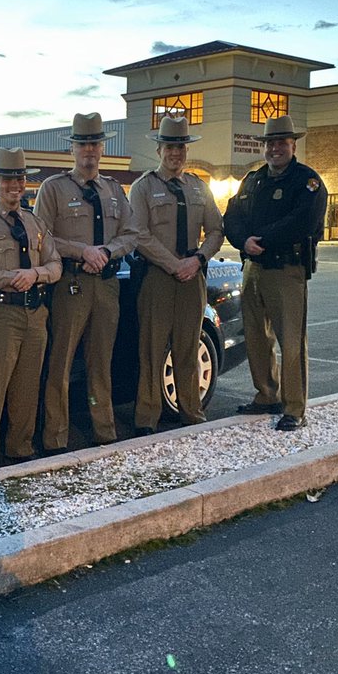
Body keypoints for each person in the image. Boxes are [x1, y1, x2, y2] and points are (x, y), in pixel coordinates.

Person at [34, 113, 139, 451]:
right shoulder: (53, 188)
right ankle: (55, 437)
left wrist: (107, 251)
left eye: (95, 143)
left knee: (100, 362)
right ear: (72, 149)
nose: (89, 150)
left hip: (106, 285)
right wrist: (82, 251)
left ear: (103, 147)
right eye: (83, 144)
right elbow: (42, 237)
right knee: (61, 362)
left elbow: (132, 233)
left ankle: (104, 431)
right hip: (70, 284)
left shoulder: (112, 189)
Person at [222, 114, 328, 431]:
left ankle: (294, 407)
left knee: (290, 341)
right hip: (253, 267)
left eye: (281, 142)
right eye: (270, 143)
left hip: (286, 269)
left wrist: (263, 241)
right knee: (256, 337)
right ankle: (267, 395)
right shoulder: (253, 180)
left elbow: (303, 221)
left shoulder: (307, 181)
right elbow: (232, 216)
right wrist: (243, 241)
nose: (275, 148)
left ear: (293, 145)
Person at [0, 147, 61, 468]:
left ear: (25, 183)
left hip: (35, 315)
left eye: (18, 178)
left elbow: (55, 265)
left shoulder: (36, 224)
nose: (13, 185)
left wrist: (35, 273)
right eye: (6, 179)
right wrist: (9, 277)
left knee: (27, 390)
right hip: (2, 315)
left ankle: (20, 452)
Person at [127, 115, 224, 436]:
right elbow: (138, 233)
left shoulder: (199, 187)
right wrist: (173, 264)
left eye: (181, 147)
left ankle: (191, 412)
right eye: (170, 147)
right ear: (159, 149)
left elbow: (215, 230)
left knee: (188, 347)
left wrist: (197, 259)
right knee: (152, 349)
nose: (176, 153)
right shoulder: (143, 188)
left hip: (192, 276)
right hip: (157, 277)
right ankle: (147, 417)